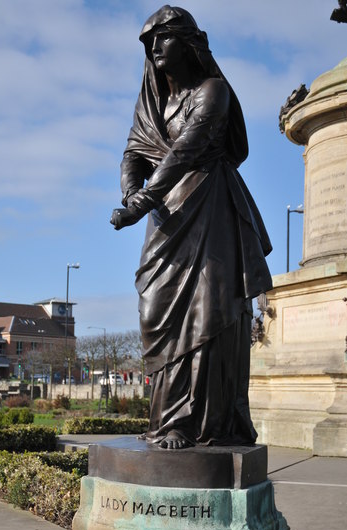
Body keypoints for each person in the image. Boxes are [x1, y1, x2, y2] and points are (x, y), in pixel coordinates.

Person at [110, 5, 272, 450]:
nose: (156, 47)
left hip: (210, 208)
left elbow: (186, 149)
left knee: (208, 311)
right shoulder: (155, 103)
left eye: (164, 38)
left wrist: (143, 200)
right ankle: (167, 416)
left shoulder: (212, 91)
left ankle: (195, 423)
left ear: (188, 43)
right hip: (167, 217)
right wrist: (131, 191)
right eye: (150, 42)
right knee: (155, 311)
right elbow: (134, 152)